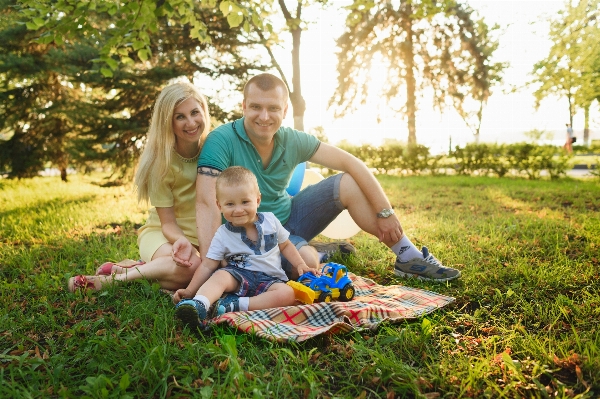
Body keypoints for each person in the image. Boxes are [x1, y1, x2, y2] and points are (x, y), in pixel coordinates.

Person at [194, 73, 461, 283]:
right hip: (251, 234)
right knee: (306, 266)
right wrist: (214, 263)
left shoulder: (294, 140)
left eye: (273, 108)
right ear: (243, 106)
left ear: (285, 111)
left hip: (293, 217)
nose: (264, 117)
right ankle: (319, 251)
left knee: (348, 181)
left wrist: (385, 212)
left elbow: (351, 163)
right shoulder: (222, 140)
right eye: (255, 107)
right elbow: (207, 202)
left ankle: (407, 256)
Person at [68, 81, 211, 292]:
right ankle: (111, 281)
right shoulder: (162, 164)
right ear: (167, 122)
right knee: (193, 270)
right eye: (180, 116)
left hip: (201, 240)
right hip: (165, 237)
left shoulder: (213, 149)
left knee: (210, 273)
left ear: (204, 112)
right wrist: (182, 241)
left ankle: (135, 269)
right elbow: (167, 224)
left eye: (194, 112)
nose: (190, 122)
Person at [173, 166, 316, 328]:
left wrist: (300, 264)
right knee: (220, 277)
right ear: (219, 206)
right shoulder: (223, 233)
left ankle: (235, 305)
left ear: (258, 200)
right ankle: (199, 304)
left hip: (269, 280)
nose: (238, 210)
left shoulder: (270, 221)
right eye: (230, 204)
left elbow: (286, 246)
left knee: (288, 294)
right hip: (237, 276)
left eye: (245, 202)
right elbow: (207, 265)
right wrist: (190, 290)